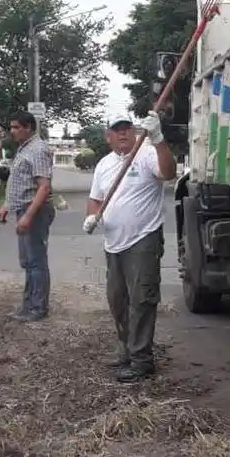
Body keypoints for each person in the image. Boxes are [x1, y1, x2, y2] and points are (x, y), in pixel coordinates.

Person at [83, 112, 177, 383]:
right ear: (108, 136)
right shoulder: (104, 164)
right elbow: (95, 199)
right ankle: (126, 348)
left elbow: (168, 173)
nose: (123, 133)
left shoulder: (146, 154)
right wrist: (92, 217)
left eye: (127, 128)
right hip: (113, 243)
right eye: (117, 129)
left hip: (143, 240)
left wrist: (159, 140)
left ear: (135, 132)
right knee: (117, 300)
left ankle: (142, 359)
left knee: (142, 300)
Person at [0, 110, 54, 322]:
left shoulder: (37, 150)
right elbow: (20, 181)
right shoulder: (25, 148)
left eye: (16, 127)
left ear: (28, 127)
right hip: (24, 208)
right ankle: (28, 305)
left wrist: (28, 217)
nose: (13, 131)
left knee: (35, 261)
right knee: (28, 261)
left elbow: (43, 188)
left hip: (35, 211)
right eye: (11, 127)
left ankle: (38, 308)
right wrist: (7, 205)